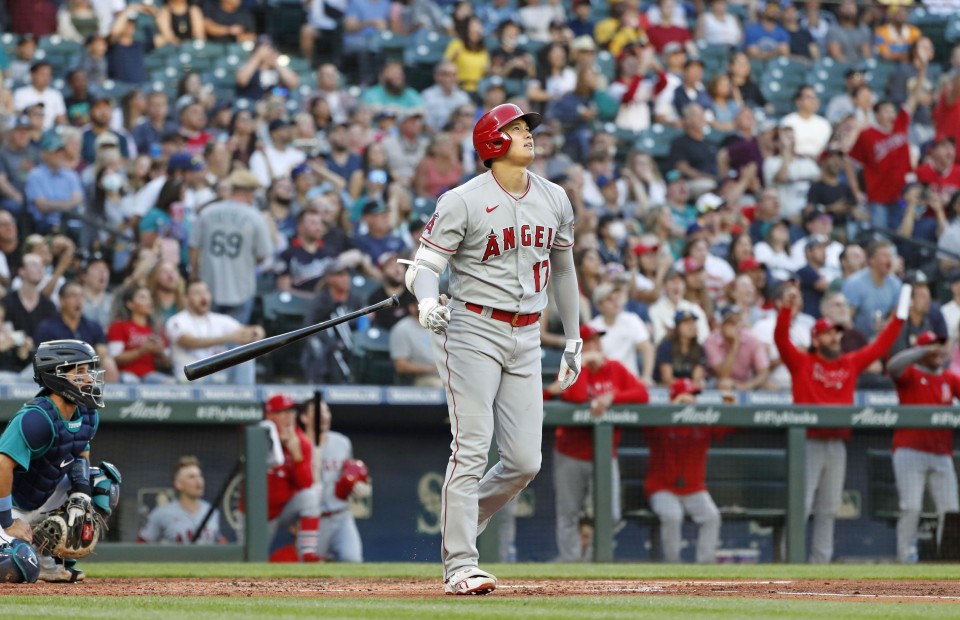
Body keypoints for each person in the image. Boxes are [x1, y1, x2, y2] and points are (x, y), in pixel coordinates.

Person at [401, 103, 580, 595]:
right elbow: (423, 266)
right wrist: (426, 300)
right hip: (472, 328)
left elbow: (564, 271)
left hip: (526, 335)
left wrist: (574, 337)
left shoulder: (555, 197)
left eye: (527, 128)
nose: (528, 135)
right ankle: (460, 565)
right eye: (518, 128)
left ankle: (462, 519)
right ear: (493, 142)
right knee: (473, 446)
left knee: (525, 461)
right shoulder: (462, 199)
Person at [776, 281, 909, 563]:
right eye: (827, 335)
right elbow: (781, 341)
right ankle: (790, 563)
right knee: (801, 505)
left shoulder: (848, 363)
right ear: (816, 340)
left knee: (828, 508)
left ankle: (820, 564)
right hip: (807, 443)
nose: (835, 338)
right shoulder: (803, 363)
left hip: (837, 444)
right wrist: (786, 309)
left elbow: (880, 346)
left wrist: (899, 317)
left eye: (836, 334)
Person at [0, 340, 120, 582]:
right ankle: (28, 553)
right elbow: (2, 465)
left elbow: (79, 451)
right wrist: (7, 522)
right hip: (8, 505)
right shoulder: (37, 417)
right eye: (80, 372)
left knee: (103, 482)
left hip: (42, 497)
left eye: (89, 370)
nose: (88, 379)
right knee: (19, 568)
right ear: (56, 376)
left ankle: (48, 557)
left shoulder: (87, 413)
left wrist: (81, 493)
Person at [547, 323, 649, 562]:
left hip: (604, 454)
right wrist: (579, 365)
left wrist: (613, 396)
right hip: (570, 453)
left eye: (597, 341)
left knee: (611, 514)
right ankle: (570, 568)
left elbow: (642, 394)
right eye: (589, 342)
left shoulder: (614, 368)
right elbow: (577, 396)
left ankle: (592, 561)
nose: (595, 346)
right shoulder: (569, 369)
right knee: (568, 514)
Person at [887, 332, 960, 563]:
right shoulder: (911, 374)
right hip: (910, 452)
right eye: (931, 346)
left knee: (951, 511)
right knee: (911, 507)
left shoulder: (949, 378)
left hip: (941, 454)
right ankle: (904, 558)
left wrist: (940, 349)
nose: (936, 350)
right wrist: (922, 350)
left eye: (938, 345)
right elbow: (892, 366)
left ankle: (949, 559)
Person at [645, 378, 729, 563]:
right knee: (673, 516)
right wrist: (673, 409)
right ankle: (673, 567)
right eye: (686, 397)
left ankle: (705, 568)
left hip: (694, 489)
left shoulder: (703, 420)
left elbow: (730, 425)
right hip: (662, 488)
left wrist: (730, 401)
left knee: (712, 517)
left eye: (694, 396)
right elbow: (647, 426)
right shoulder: (660, 420)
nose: (692, 400)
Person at [188, 170, 274, 324]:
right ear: (249, 193)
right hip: (240, 288)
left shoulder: (208, 212)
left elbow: (193, 247)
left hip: (208, 286)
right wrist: (247, 262)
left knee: (207, 337)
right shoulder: (256, 217)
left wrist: (194, 275)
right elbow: (263, 255)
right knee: (234, 342)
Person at [300, 396, 367, 563]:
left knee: (352, 559)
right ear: (304, 418)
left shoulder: (342, 442)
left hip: (341, 515)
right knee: (308, 569)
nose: (324, 416)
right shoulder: (298, 444)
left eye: (326, 411)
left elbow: (350, 476)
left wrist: (360, 487)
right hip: (315, 520)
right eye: (318, 412)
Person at [165, 280, 264, 384]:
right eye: (197, 293)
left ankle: (246, 397)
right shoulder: (176, 320)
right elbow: (189, 341)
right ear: (186, 299)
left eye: (206, 292)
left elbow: (252, 331)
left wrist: (256, 333)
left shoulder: (220, 319)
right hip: (192, 377)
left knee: (245, 355)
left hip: (219, 375)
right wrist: (230, 338)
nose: (203, 297)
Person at [262, 394, 322, 562]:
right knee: (251, 561)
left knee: (310, 496)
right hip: (257, 514)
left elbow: (306, 484)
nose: (289, 417)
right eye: (282, 412)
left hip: (282, 511)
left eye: (291, 411)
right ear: (270, 416)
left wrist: (296, 456)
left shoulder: (301, 442)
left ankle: (307, 554)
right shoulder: (259, 436)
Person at [35, 282, 120, 383]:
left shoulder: (93, 326)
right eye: (73, 296)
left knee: (108, 364)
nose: (78, 300)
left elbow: (102, 352)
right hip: (57, 373)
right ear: (62, 300)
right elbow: (43, 360)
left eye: (81, 296)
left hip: (86, 372)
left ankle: (105, 398)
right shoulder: (48, 327)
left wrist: (105, 360)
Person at [138, 455, 222, 544]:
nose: (199, 481)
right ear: (178, 484)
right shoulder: (161, 513)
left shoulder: (212, 510)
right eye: (191, 477)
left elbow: (219, 540)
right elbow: (141, 543)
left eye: (200, 476)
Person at [107, 285, 173, 385]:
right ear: (130, 304)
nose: (149, 302)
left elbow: (167, 363)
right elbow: (115, 358)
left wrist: (160, 352)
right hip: (126, 373)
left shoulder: (156, 328)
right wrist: (142, 350)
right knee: (131, 382)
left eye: (150, 297)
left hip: (151, 374)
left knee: (170, 383)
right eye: (143, 297)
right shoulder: (118, 326)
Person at [390, 295, 442, 387]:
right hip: (421, 378)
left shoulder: (438, 323)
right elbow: (400, 366)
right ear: (412, 307)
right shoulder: (402, 328)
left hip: (446, 375)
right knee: (440, 385)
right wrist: (432, 369)